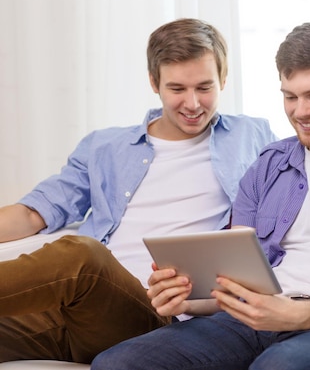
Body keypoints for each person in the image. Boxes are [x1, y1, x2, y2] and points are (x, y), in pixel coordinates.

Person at [90, 20, 310, 370]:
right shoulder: (268, 165)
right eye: (290, 96)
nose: (300, 112)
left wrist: (296, 314)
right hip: (256, 317)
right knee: (116, 364)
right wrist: (186, 300)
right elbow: (234, 284)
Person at [0, 18, 277, 364]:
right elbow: (32, 213)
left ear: (223, 79)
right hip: (75, 312)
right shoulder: (105, 146)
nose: (192, 104)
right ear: (154, 83)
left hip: (158, 315)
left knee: (81, 257)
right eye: (177, 89)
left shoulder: (254, 138)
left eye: (204, 88)